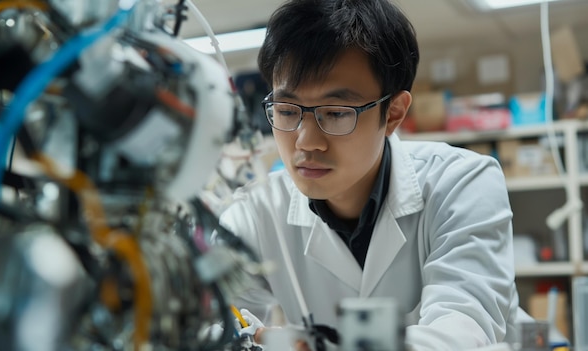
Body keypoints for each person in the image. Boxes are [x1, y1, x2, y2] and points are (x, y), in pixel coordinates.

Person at [218, 0, 527, 349]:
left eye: (335, 113)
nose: (306, 141)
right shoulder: (255, 214)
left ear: (393, 113)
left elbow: (463, 334)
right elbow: (206, 319)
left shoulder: (463, 183)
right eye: (288, 111)